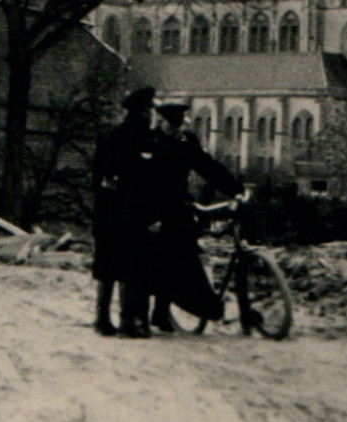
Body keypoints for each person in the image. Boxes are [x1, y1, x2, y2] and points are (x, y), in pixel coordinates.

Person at [140, 101, 245, 333]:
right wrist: (151, 216)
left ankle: (162, 314)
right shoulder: (149, 142)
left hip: (178, 208)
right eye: (173, 124)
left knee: (181, 261)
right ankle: (140, 316)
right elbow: (141, 184)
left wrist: (235, 189)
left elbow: (207, 167)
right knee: (151, 263)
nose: (178, 129)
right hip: (152, 211)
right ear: (163, 121)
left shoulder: (185, 142)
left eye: (180, 124)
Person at [90, 86, 156, 338]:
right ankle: (126, 321)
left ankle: (104, 319)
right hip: (129, 213)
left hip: (109, 212)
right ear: (143, 111)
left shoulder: (112, 135)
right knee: (129, 267)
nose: (150, 114)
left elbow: (97, 179)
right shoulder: (143, 139)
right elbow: (144, 180)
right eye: (149, 109)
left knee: (108, 266)